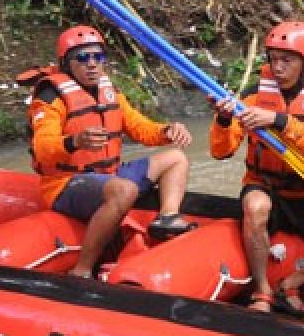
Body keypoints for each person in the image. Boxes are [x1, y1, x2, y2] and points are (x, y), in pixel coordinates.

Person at [22, 25, 194, 278]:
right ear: (67, 63)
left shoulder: (109, 91)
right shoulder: (50, 97)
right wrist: (75, 141)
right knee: (124, 189)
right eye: (82, 58)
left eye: (98, 57)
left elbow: (139, 127)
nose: (92, 64)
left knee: (176, 158)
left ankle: (167, 217)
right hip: (65, 183)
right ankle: (82, 269)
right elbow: (43, 148)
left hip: (109, 175)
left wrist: (166, 131)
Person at [209, 21, 304, 314]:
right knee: (255, 207)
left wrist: (279, 121)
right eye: (273, 59)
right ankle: (262, 292)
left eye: (287, 60)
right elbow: (221, 151)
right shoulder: (255, 94)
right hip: (266, 185)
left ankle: (295, 282)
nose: (278, 67)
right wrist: (222, 120)